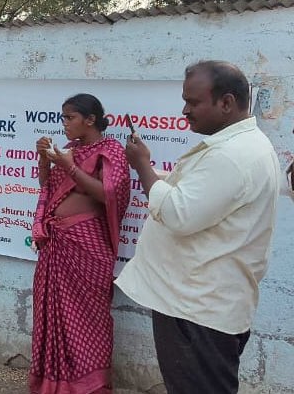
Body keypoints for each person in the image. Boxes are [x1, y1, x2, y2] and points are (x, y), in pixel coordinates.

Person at [115, 61, 279, 394]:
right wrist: (155, 175)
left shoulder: (233, 155)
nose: (185, 111)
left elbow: (177, 212)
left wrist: (142, 166)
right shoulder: (240, 146)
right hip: (199, 305)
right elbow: (196, 197)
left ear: (226, 102)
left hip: (197, 312)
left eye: (193, 102)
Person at [29, 93, 131, 393]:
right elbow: (49, 188)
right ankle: (55, 383)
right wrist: (45, 159)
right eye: (63, 117)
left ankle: (91, 385)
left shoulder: (111, 150)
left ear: (90, 120)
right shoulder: (70, 150)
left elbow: (110, 195)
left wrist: (70, 166)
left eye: (70, 117)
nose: (64, 123)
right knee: (55, 317)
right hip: (57, 244)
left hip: (88, 247)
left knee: (87, 318)